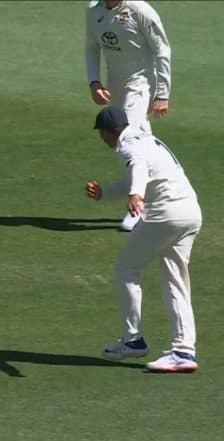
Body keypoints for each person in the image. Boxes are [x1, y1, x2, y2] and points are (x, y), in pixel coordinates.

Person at [85, 107, 201, 373]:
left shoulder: (128, 147)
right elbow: (135, 177)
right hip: (190, 212)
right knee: (176, 281)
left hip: (166, 212)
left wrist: (137, 194)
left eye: (101, 134)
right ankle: (183, 351)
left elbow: (136, 167)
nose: (102, 139)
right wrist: (103, 193)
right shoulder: (146, 140)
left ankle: (132, 339)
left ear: (108, 132)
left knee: (126, 269)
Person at [85, 0, 171, 231]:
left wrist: (162, 94)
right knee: (143, 142)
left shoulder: (140, 10)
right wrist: (94, 83)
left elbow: (162, 49)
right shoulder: (94, 11)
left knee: (128, 139)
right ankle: (161, 197)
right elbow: (91, 47)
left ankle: (138, 209)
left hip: (140, 82)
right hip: (114, 84)